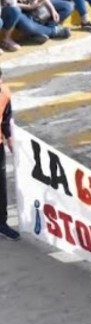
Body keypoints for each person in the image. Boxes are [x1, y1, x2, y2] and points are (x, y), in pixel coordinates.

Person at [0, 67, 18, 240]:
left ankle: (2, 223)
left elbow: (6, 118)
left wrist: (10, 139)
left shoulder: (4, 92)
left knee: (1, 186)